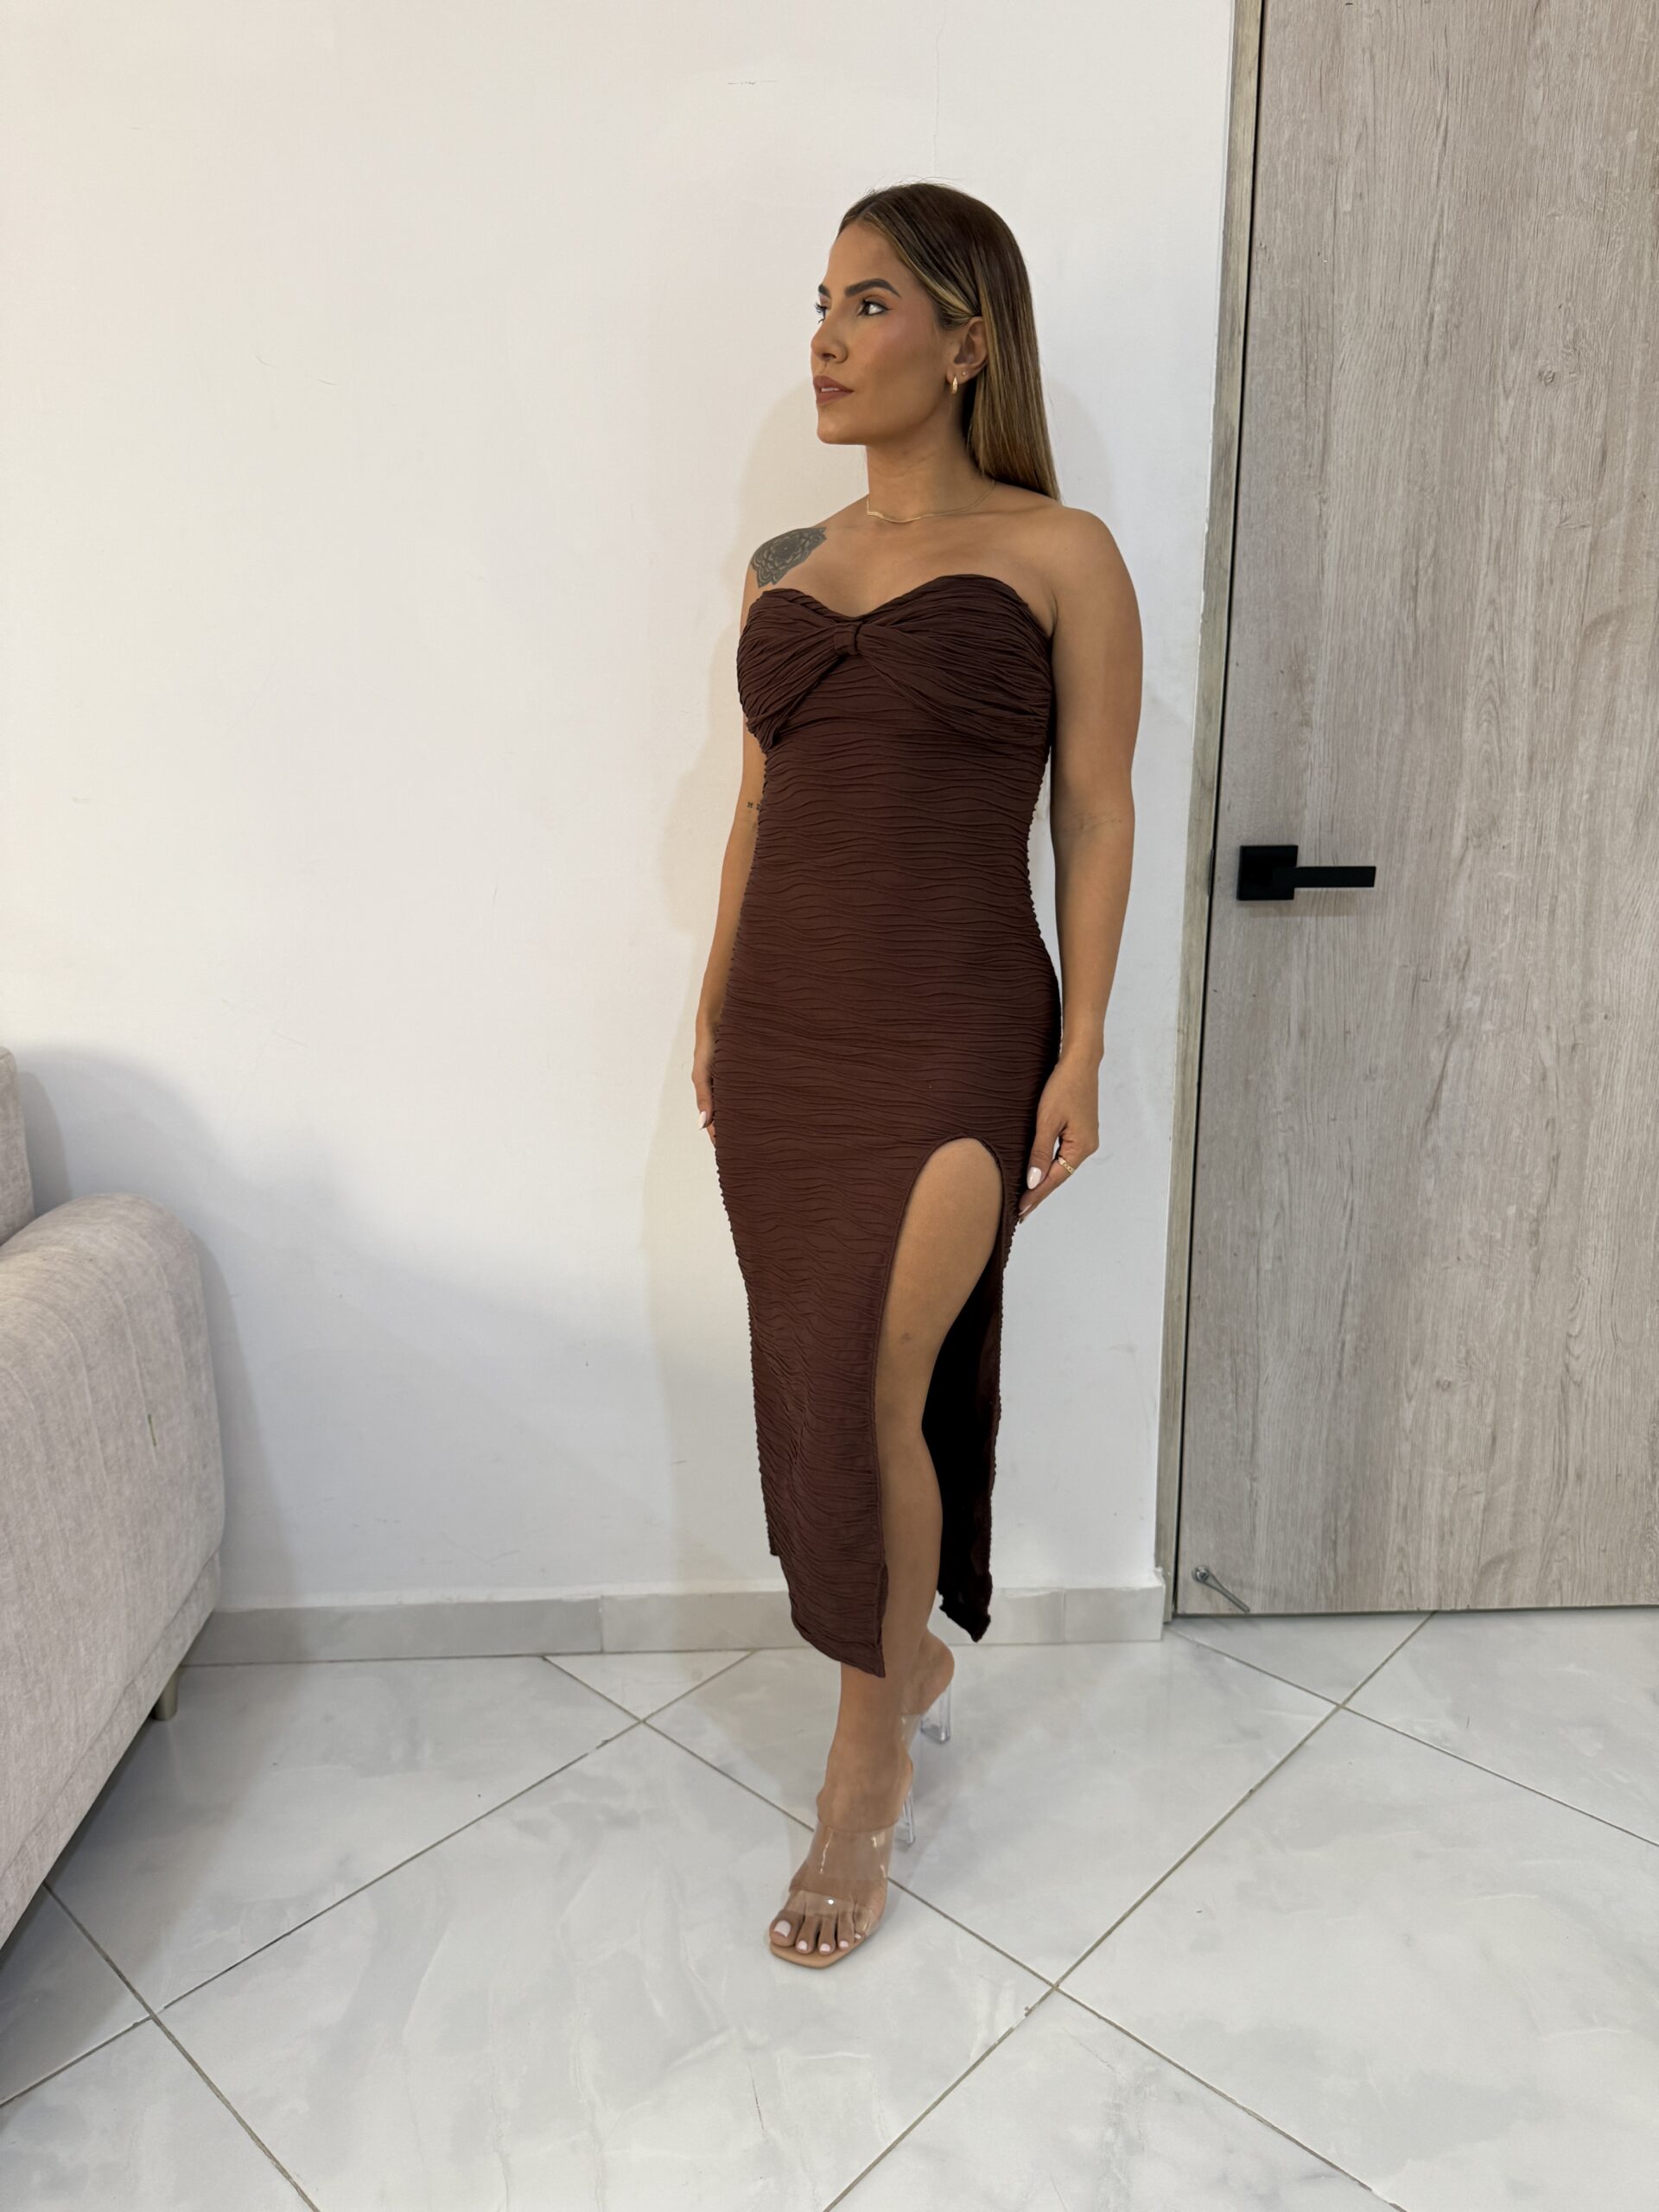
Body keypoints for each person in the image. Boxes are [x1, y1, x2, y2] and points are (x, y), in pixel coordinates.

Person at [693, 180, 1141, 1966]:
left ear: (966, 343)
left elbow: (1093, 808)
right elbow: (756, 808)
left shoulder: (1062, 553)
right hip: (784, 1035)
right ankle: (907, 1659)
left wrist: (1084, 1040)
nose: (825, 338)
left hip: (955, 1019)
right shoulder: (778, 570)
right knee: (814, 1379)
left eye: (867, 304)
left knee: (879, 1374)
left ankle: (864, 1761)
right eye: (819, 303)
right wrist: (712, 1006)